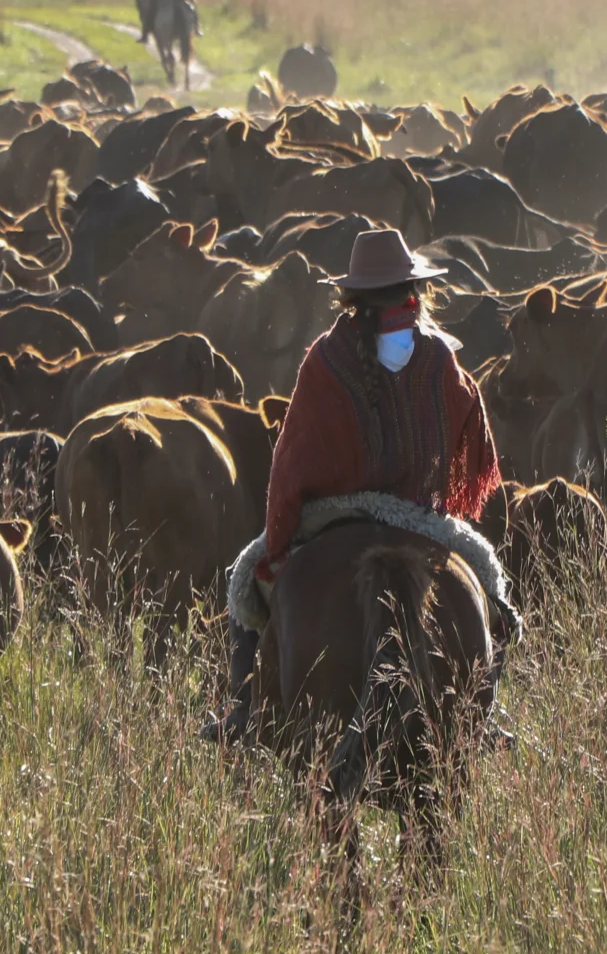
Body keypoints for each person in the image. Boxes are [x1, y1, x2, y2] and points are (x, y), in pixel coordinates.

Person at [201, 228, 506, 746]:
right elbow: (469, 431)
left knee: (244, 589)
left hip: (332, 515)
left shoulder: (327, 358)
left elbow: (291, 465)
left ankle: (244, 710)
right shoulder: (437, 357)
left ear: (352, 296)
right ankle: (485, 719)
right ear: (414, 289)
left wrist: (278, 542)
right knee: (490, 587)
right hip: (420, 518)